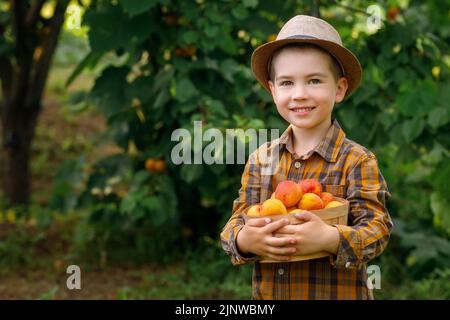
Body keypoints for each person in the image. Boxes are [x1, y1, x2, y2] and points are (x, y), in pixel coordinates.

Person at [220, 15, 393, 300]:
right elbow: (237, 220)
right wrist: (244, 239)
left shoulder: (357, 160)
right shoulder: (261, 160)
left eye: (314, 80)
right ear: (273, 90)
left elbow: (377, 230)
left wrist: (330, 238)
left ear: (339, 89)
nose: (299, 94)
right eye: (287, 83)